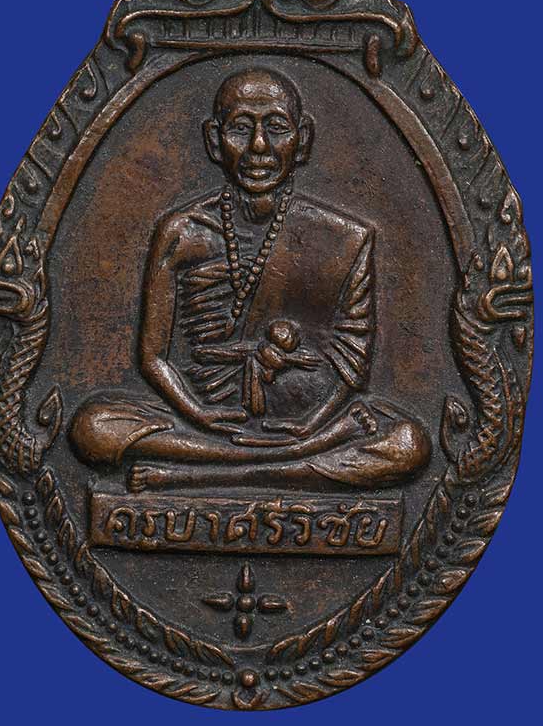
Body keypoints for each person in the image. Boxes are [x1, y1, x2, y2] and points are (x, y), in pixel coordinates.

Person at [70, 68, 430, 490]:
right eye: (241, 128)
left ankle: (222, 470)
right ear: (214, 141)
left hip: (308, 424)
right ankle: (282, 465)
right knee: (94, 427)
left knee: (408, 443)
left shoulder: (344, 239)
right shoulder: (182, 232)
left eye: (277, 127)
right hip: (203, 421)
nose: (259, 146)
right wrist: (197, 413)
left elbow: (352, 363)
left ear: (303, 140)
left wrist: (311, 423)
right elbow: (153, 358)